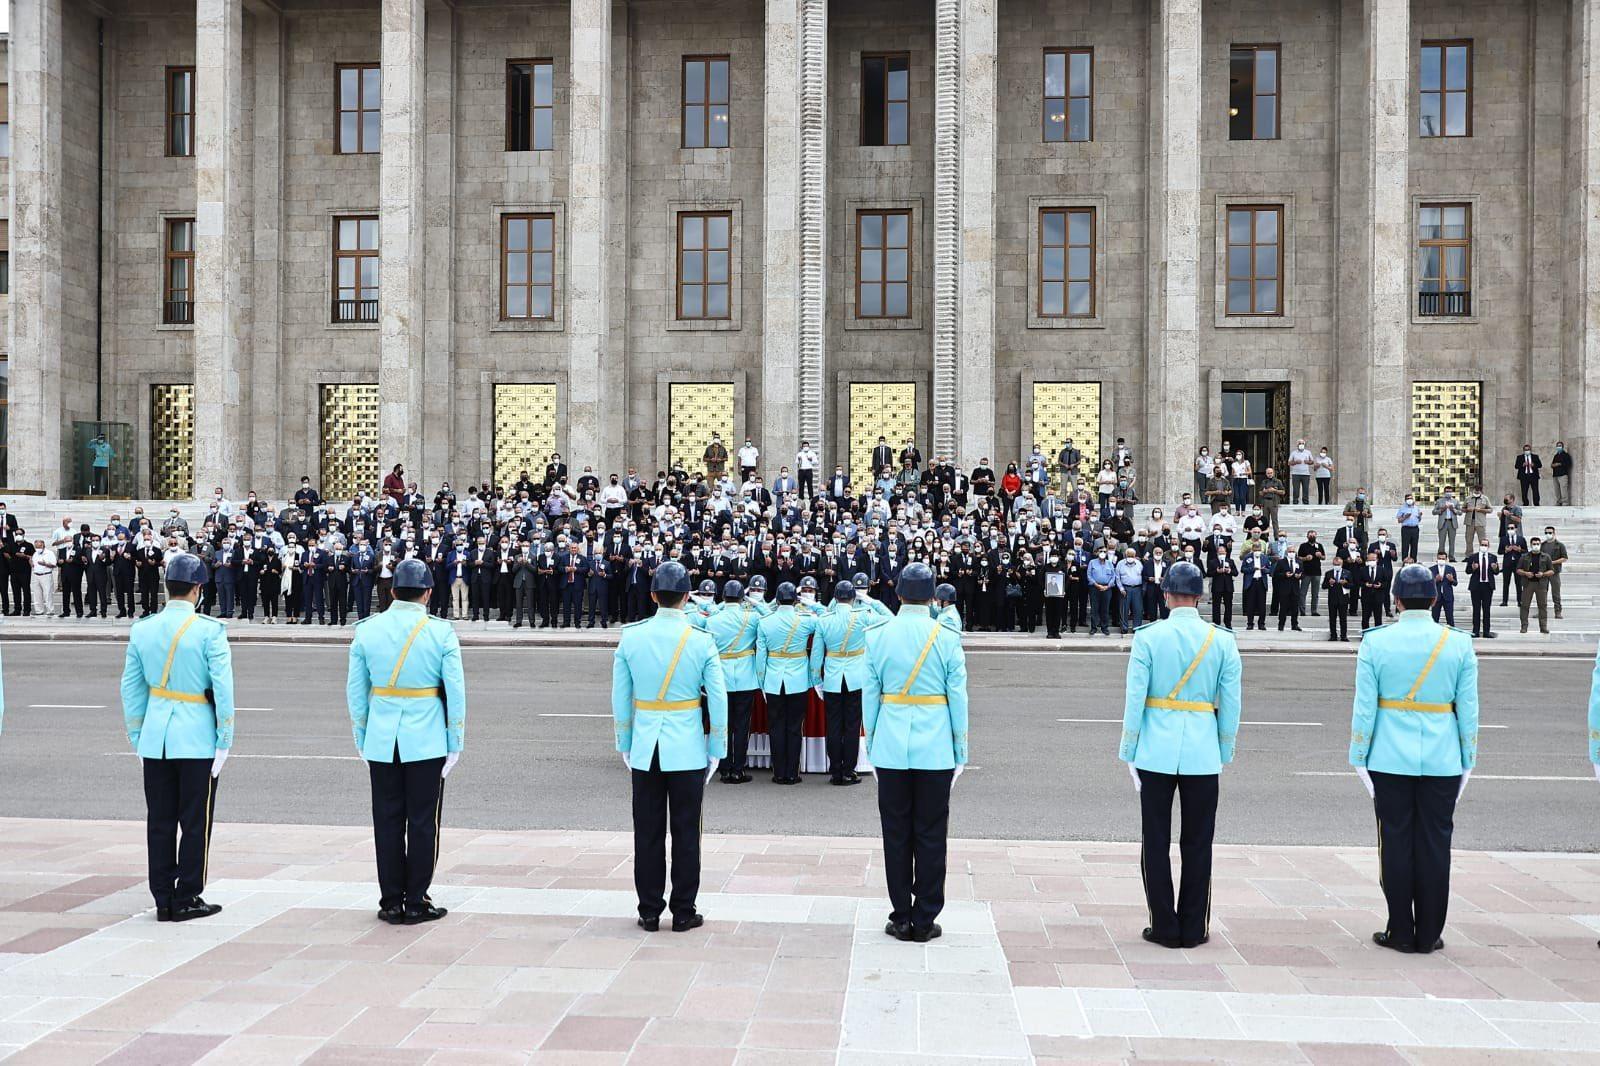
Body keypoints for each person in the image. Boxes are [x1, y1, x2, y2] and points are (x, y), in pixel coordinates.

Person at [1349, 563, 1479, 954]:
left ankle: (1401, 930)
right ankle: (1429, 933)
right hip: (1442, 756)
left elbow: (1365, 707)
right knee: (1436, 844)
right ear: (1435, 599)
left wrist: (1359, 754)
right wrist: (1467, 757)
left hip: (1389, 756)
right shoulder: (1458, 643)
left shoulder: (1376, 642)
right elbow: (1468, 709)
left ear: (1396, 600)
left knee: (1395, 842)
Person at [1119, 561, 1242, 950]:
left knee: (1155, 840)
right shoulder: (1221, 639)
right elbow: (1231, 704)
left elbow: (1135, 699)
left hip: (1155, 749)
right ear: (1200, 597)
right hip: (1202, 750)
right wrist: (1224, 749)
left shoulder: (1149, 637)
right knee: (1199, 842)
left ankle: (1163, 925)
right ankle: (1194, 926)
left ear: (1166, 594)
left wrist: (1129, 749)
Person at [346, 558, 467, 925]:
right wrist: (455, 740)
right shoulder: (440, 632)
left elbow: (356, 692)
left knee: (386, 821)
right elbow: (455, 692)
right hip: (426, 738)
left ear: (393, 591)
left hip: (382, 738)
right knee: (423, 821)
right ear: (428, 593)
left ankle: (390, 901)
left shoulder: (367, 630)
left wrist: (362, 737)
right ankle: (416, 899)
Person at [612, 560, 727, 932]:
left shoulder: (632, 637)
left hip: (646, 745)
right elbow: (718, 699)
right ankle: (682, 910)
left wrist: (625, 742)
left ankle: (649, 910)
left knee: (647, 832)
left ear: (652, 596)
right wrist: (717, 748)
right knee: (686, 833)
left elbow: (620, 697)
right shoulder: (701, 639)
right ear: (688, 597)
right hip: (687, 746)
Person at [119, 553, 234, 923]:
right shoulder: (209, 631)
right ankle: (187, 895)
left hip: (156, 737)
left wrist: (138, 735)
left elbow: (131, 690)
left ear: (168, 587)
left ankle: (163, 897)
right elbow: (223, 691)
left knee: (160, 821)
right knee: (195, 821)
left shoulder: (143, 629)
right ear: (198, 589)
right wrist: (225, 739)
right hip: (197, 737)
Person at [862, 562, 968, 943]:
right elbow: (958, 698)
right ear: (933, 597)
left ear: (899, 593)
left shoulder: (878, 635)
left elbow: (870, 695)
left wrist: (873, 744)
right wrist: (960, 749)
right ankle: (925, 917)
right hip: (935, 746)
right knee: (931, 832)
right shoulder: (946, 636)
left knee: (895, 833)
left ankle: (901, 915)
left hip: (891, 743)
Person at [811, 580, 873, 786]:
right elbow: (888, 619)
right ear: (854, 597)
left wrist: (816, 680)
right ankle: (849, 770)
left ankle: (836, 770)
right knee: (853, 725)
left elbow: (816, 656)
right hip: (856, 677)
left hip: (832, 677)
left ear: (835, 598)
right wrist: (869, 600)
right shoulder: (863, 615)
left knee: (834, 725)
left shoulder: (824, 620)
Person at [755, 581, 818, 784]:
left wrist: (762, 681)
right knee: (794, 727)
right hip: (797, 679)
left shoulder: (765, 622)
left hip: (773, 679)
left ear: (777, 599)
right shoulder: (806, 620)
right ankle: (792, 772)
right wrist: (812, 604)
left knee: (776, 726)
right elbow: (827, 617)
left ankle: (779, 772)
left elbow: (760, 657)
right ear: (796, 599)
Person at [705, 578, 758, 784]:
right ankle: (738, 769)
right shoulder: (751, 617)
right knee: (742, 725)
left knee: (723, 724)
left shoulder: (712, 620)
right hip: (745, 676)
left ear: (723, 597)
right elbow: (768, 615)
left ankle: (724, 767)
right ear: (742, 598)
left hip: (721, 676)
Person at [1516, 535, 1555, 634]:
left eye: (1538, 544)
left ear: (1540, 545)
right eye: (1534, 544)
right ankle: (1524, 626)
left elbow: (1551, 571)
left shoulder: (1546, 557)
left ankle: (1543, 627)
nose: (1536, 546)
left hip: (1541, 584)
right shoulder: (1524, 556)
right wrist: (1526, 573)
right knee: (1525, 606)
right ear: (1531, 545)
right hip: (1528, 584)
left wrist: (1543, 574)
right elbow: (1518, 570)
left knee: (1542, 606)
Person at [1466, 538, 1499, 639]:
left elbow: (1496, 572)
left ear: (1488, 546)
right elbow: (1467, 571)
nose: (1484, 546)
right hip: (1476, 585)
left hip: (1488, 586)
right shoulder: (1473, 557)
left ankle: (1486, 631)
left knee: (1486, 609)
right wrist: (1473, 568)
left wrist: (1495, 568)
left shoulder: (1493, 557)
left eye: (1485, 545)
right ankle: (1475, 631)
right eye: (1482, 544)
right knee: (1476, 609)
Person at [1542, 524, 1568, 620]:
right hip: (1544, 572)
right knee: (1542, 593)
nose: (1548, 534)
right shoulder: (1542, 545)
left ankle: (1558, 611)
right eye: (1546, 532)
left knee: (1556, 593)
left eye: (1550, 532)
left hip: (1554, 572)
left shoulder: (1560, 545)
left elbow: (1564, 558)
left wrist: (1553, 562)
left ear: (1554, 533)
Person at [1323, 557, 1350, 642]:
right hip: (1332, 599)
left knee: (1343, 618)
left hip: (1343, 598)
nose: (1336, 566)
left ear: (1341, 564)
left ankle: (1343, 636)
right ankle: (1333, 635)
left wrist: (1345, 583)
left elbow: (1352, 585)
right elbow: (1323, 586)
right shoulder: (1329, 573)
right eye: (1335, 564)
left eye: (1338, 564)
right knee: (1332, 618)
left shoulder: (1347, 573)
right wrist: (1329, 583)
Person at [1429, 551, 1457, 627]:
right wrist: (1435, 580)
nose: (1441, 560)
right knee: (1434, 619)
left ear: (1446, 559)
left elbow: (1455, 583)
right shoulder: (1431, 569)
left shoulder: (1450, 569)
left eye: (1443, 559)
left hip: (1448, 597)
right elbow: (1428, 584)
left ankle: (1451, 633)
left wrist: (1451, 580)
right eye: (1439, 558)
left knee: (1450, 618)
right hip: (1436, 597)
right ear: (1437, 559)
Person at [1432, 488, 1460, 561]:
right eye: (1447, 491)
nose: (1448, 493)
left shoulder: (1455, 501)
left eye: (1450, 491)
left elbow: (1460, 512)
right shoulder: (1439, 501)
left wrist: (1453, 509)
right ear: (1444, 492)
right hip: (1443, 522)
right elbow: (1434, 512)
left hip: (1452, 522)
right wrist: (1442, 509)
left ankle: (1451, 557)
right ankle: (1441, 557)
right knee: (1441, 541)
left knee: (1452, 541)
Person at [1395, 494, 1423, 563]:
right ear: (1405, 500)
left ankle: (1413, 560)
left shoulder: (1416, 508)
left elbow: (1419, 519)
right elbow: (1399, 520)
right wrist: (1405, 517)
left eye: (1411, 498)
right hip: (1406, 529)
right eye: (1408, 498)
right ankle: (1405, 561)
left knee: (1414, 545)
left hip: (1415, 528)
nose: (1409, 500)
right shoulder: (1402, 508)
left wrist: (1419, 516)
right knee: (1405, 545)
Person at [1287, 441, 1314, 505]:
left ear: (1304, 445)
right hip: (1295, 474)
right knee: (1296, 489)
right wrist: (1295, 462)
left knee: (1306, 489)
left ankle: (1306, 502)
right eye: (1300, 443)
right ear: (1297, 445)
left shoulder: (1308, 452)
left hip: (1306, 474)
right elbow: (1289, 463)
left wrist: (1308, 462)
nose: (1301, 445)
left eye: (1302, 443)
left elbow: (1312, 461)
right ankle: (1295, 501)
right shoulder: (1293, 453)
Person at [1551, 441, 1573, 505]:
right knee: (1557, 490)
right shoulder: (1556, 456)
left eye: (1560, 446)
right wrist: (1553, 465)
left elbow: (1569, 464)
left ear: (1562, 447)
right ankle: (1558, 502)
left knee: (1563, 490)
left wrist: (1559, 464)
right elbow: (1552, 464)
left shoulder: (1566, 455)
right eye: (1557, 446)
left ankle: (1565, 502)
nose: (1558, 447)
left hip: (1563, 475)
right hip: (1555, 475)